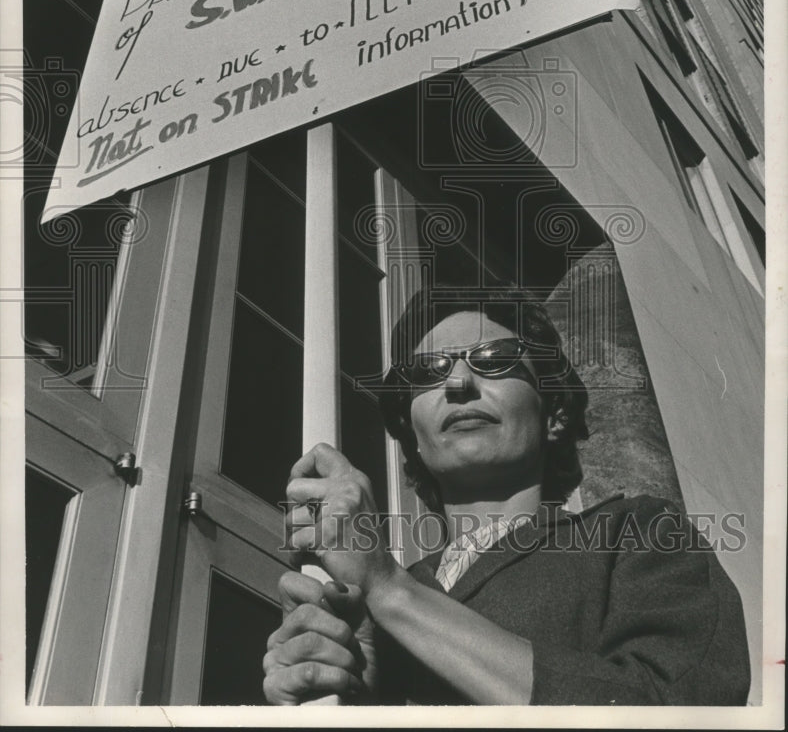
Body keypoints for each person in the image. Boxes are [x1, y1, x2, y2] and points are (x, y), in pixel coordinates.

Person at [262, 289, 751, 706]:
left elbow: (674, 710)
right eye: (430, 371)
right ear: (411, 435)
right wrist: (339, 695)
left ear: (553, 412)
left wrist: (391, 591)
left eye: (494, 359)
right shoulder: (371, 602)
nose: (458, 383)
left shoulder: (640, 532)